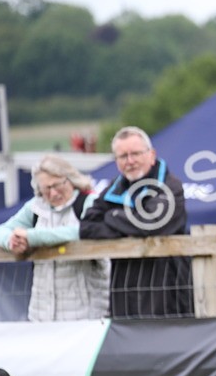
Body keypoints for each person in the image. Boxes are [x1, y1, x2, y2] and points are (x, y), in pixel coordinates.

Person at [79, 126, 194, 318]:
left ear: (151, 154)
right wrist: (128, 224)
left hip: (167, 289)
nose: (130, 161)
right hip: (123, 290)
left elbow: (151, 224)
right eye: (123, 156)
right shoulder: (114, 188)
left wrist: (112, 216)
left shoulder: (170, 186)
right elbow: (87, 227)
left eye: (135, 154)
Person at [0, 155, 109, 321]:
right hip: (41, 315)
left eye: (57, 185)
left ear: (70, 179)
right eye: (46, 189)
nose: (53, 193)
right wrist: (11, 241)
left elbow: (82, 232)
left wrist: (31, 237)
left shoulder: (90, 202)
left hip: (87, 317)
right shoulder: (35, 207)